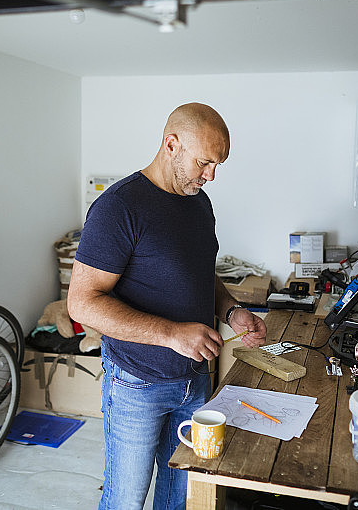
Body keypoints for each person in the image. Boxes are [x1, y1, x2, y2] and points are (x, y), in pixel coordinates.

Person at [67, 102, 267, 510]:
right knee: (125, 499)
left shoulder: (199, 204)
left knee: (181, 497)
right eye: (205, 162)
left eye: (218, 165)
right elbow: (81, 303)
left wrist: (231, 310)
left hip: (195, 380)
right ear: (171, 144)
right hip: (136, 384)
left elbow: (198, 274)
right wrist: (171, 333)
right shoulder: (118, 208)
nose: (211, 176)